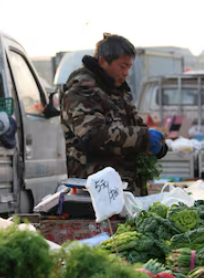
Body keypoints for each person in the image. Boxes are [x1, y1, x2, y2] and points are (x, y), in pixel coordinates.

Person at [60, 33, 167, 195]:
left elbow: (135, 124)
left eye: (129, 67)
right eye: (122, 66)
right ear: (103, 61)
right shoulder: (83, 90)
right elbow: (93, 135)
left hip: (126, 187)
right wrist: (144, 138)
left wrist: (156, 146)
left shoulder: (118, 89)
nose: (126, 73)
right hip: (98, 190)